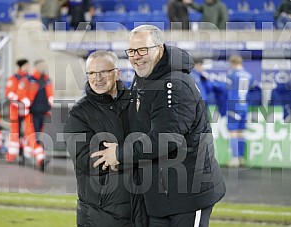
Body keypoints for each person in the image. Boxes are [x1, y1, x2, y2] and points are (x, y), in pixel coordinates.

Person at [91, 25, 226, 227]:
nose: (136, 56)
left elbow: (165, 139)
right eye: (131, 51)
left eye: (142, 50)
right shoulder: (143, 78)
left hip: (189, 193)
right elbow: (137, 125)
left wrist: (120, 154)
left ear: (160, 49)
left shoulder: (176, 84)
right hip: (159, 197)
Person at [63, 50, 147, 227]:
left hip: (141, 208)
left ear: (117, 73)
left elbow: (151, 143)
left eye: (103, 72)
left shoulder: (136, 101)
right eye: (92, 73)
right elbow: (85, 159)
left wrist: (118, 153)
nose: (97, 78)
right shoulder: (79, 113)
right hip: (100, 214)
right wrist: (129, 154)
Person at [19, 59, 54, 170]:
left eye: (44, 65)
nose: (43, 67)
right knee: (33, 137)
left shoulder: (47, 80)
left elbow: (50, 93)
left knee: (35, 136)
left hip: (42, 112)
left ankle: (25, 154)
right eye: (41, 65)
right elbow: (21, 93)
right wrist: (25, 102)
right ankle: (41, 159)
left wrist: (50, 102)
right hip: (31, 113)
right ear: (36, 66)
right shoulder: (29, 79)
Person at [226, 55, 255, 168]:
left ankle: (235, 158)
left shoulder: (232, 74)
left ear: (232, 63)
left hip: (234, 104)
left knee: (233, 132)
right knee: (240, 132)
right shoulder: (249, 75)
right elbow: (253, 89)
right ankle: (241, 157)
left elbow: (226, 89)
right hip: (244, 105)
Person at [5, 59, 30, 163]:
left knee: (28, 132)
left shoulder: (30, 78)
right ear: (20, 67)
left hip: (28, 110)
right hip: (15, 110)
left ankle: (25, 154)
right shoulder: (13, 78)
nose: (27, 67)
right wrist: (20, 103)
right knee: (15, 132)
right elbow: (9, 93)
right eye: (26, 66)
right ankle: (12, 155)